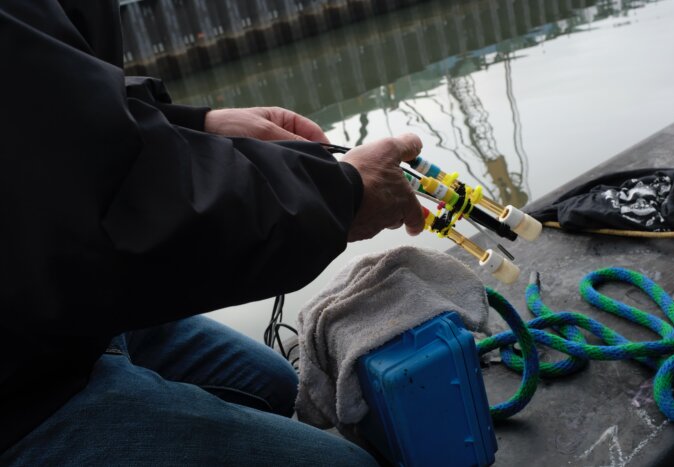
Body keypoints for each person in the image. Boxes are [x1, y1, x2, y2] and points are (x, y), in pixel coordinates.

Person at [0, 1, 424, 465]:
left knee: (273, 383)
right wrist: (344, 195)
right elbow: (97, 206)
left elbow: (52, 108)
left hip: (52, 321)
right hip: (22, 394)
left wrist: (195, 124)